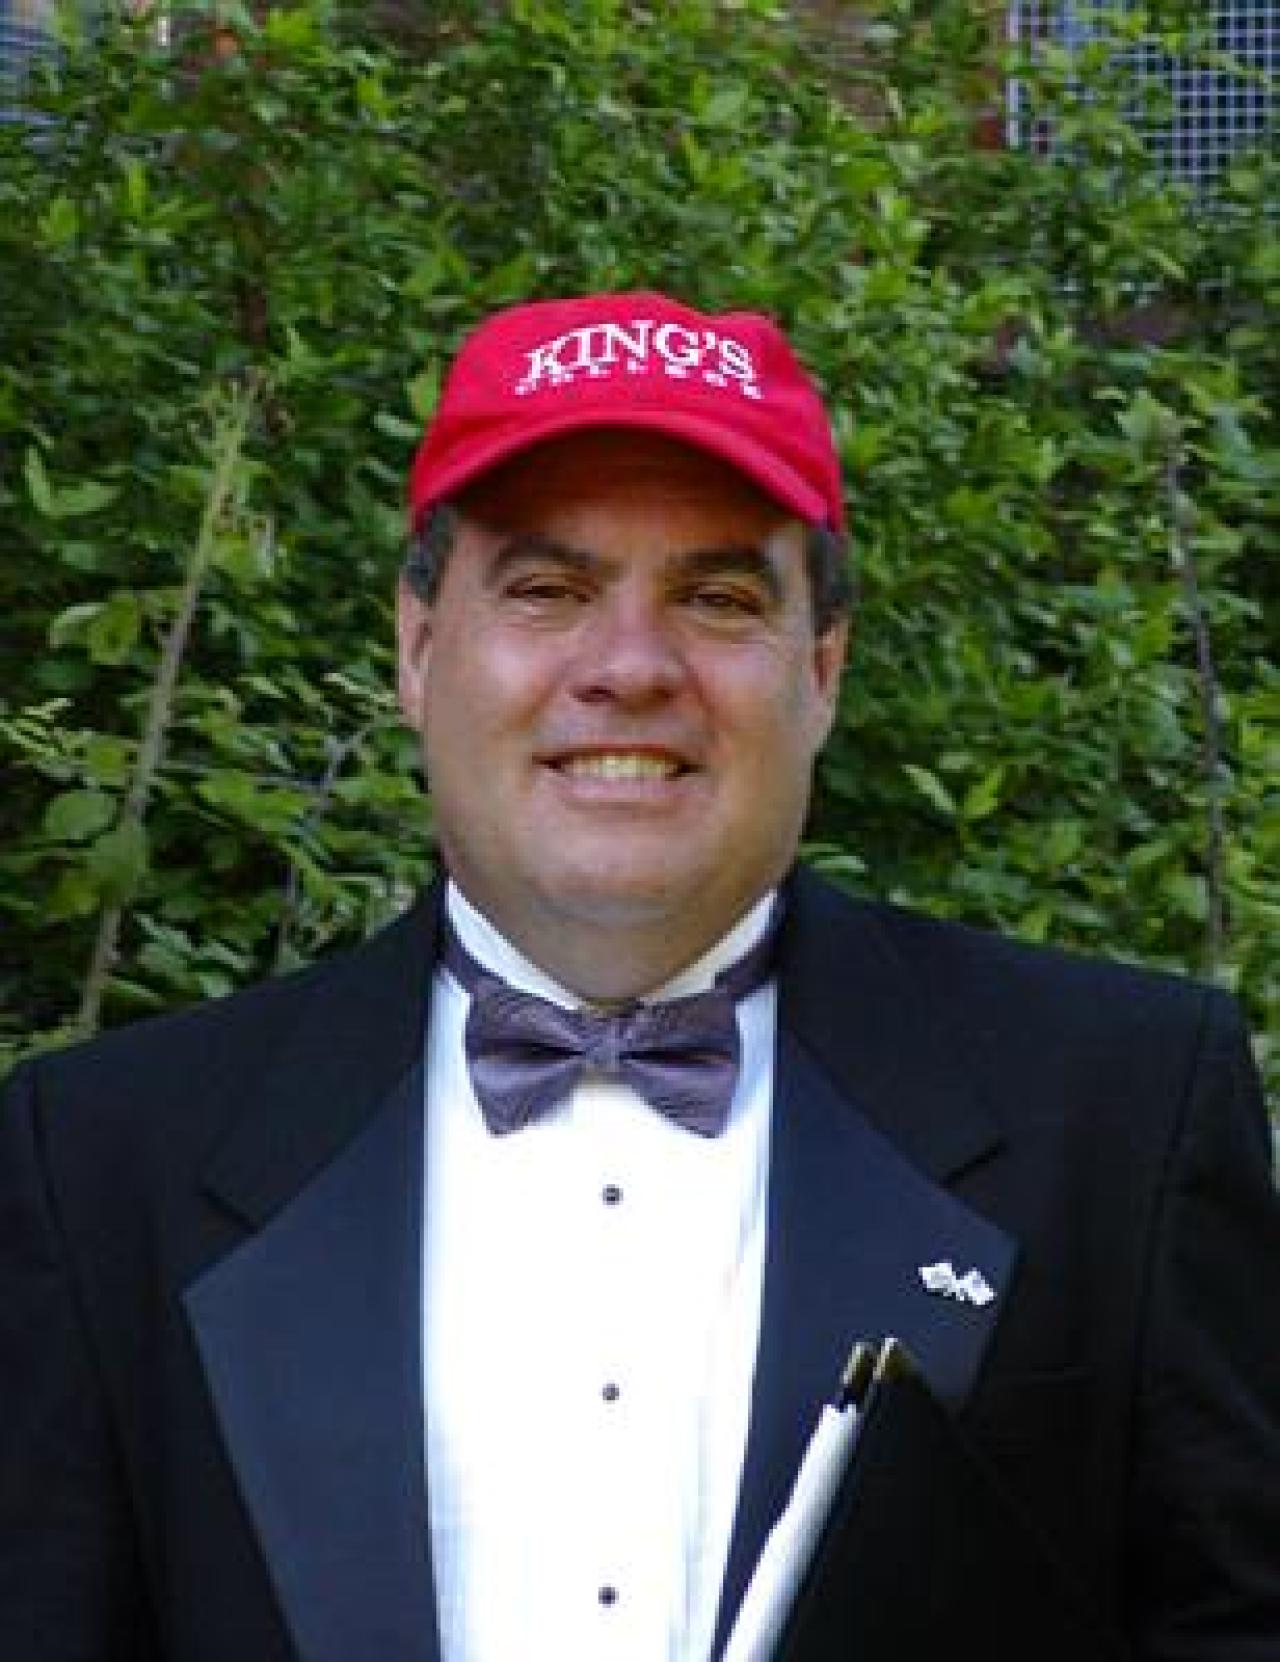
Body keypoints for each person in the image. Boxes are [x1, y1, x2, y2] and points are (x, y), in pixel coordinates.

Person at [0, 290, 1276, 1662]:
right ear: (419, 649)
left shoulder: (1123, 1115)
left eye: (717, 598)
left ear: (824, 669)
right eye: (548, 591)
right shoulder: (104, 1162)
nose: (627, 667)